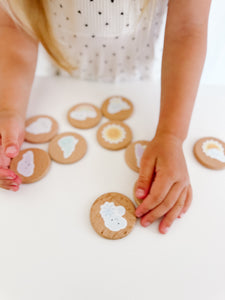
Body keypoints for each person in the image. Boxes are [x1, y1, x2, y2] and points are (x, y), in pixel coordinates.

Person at [0, 0, 211, 233]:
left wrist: (172, 134)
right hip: (62, 81)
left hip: (140, 83)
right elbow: (13, 22)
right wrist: (9, 109)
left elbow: (188, 28)